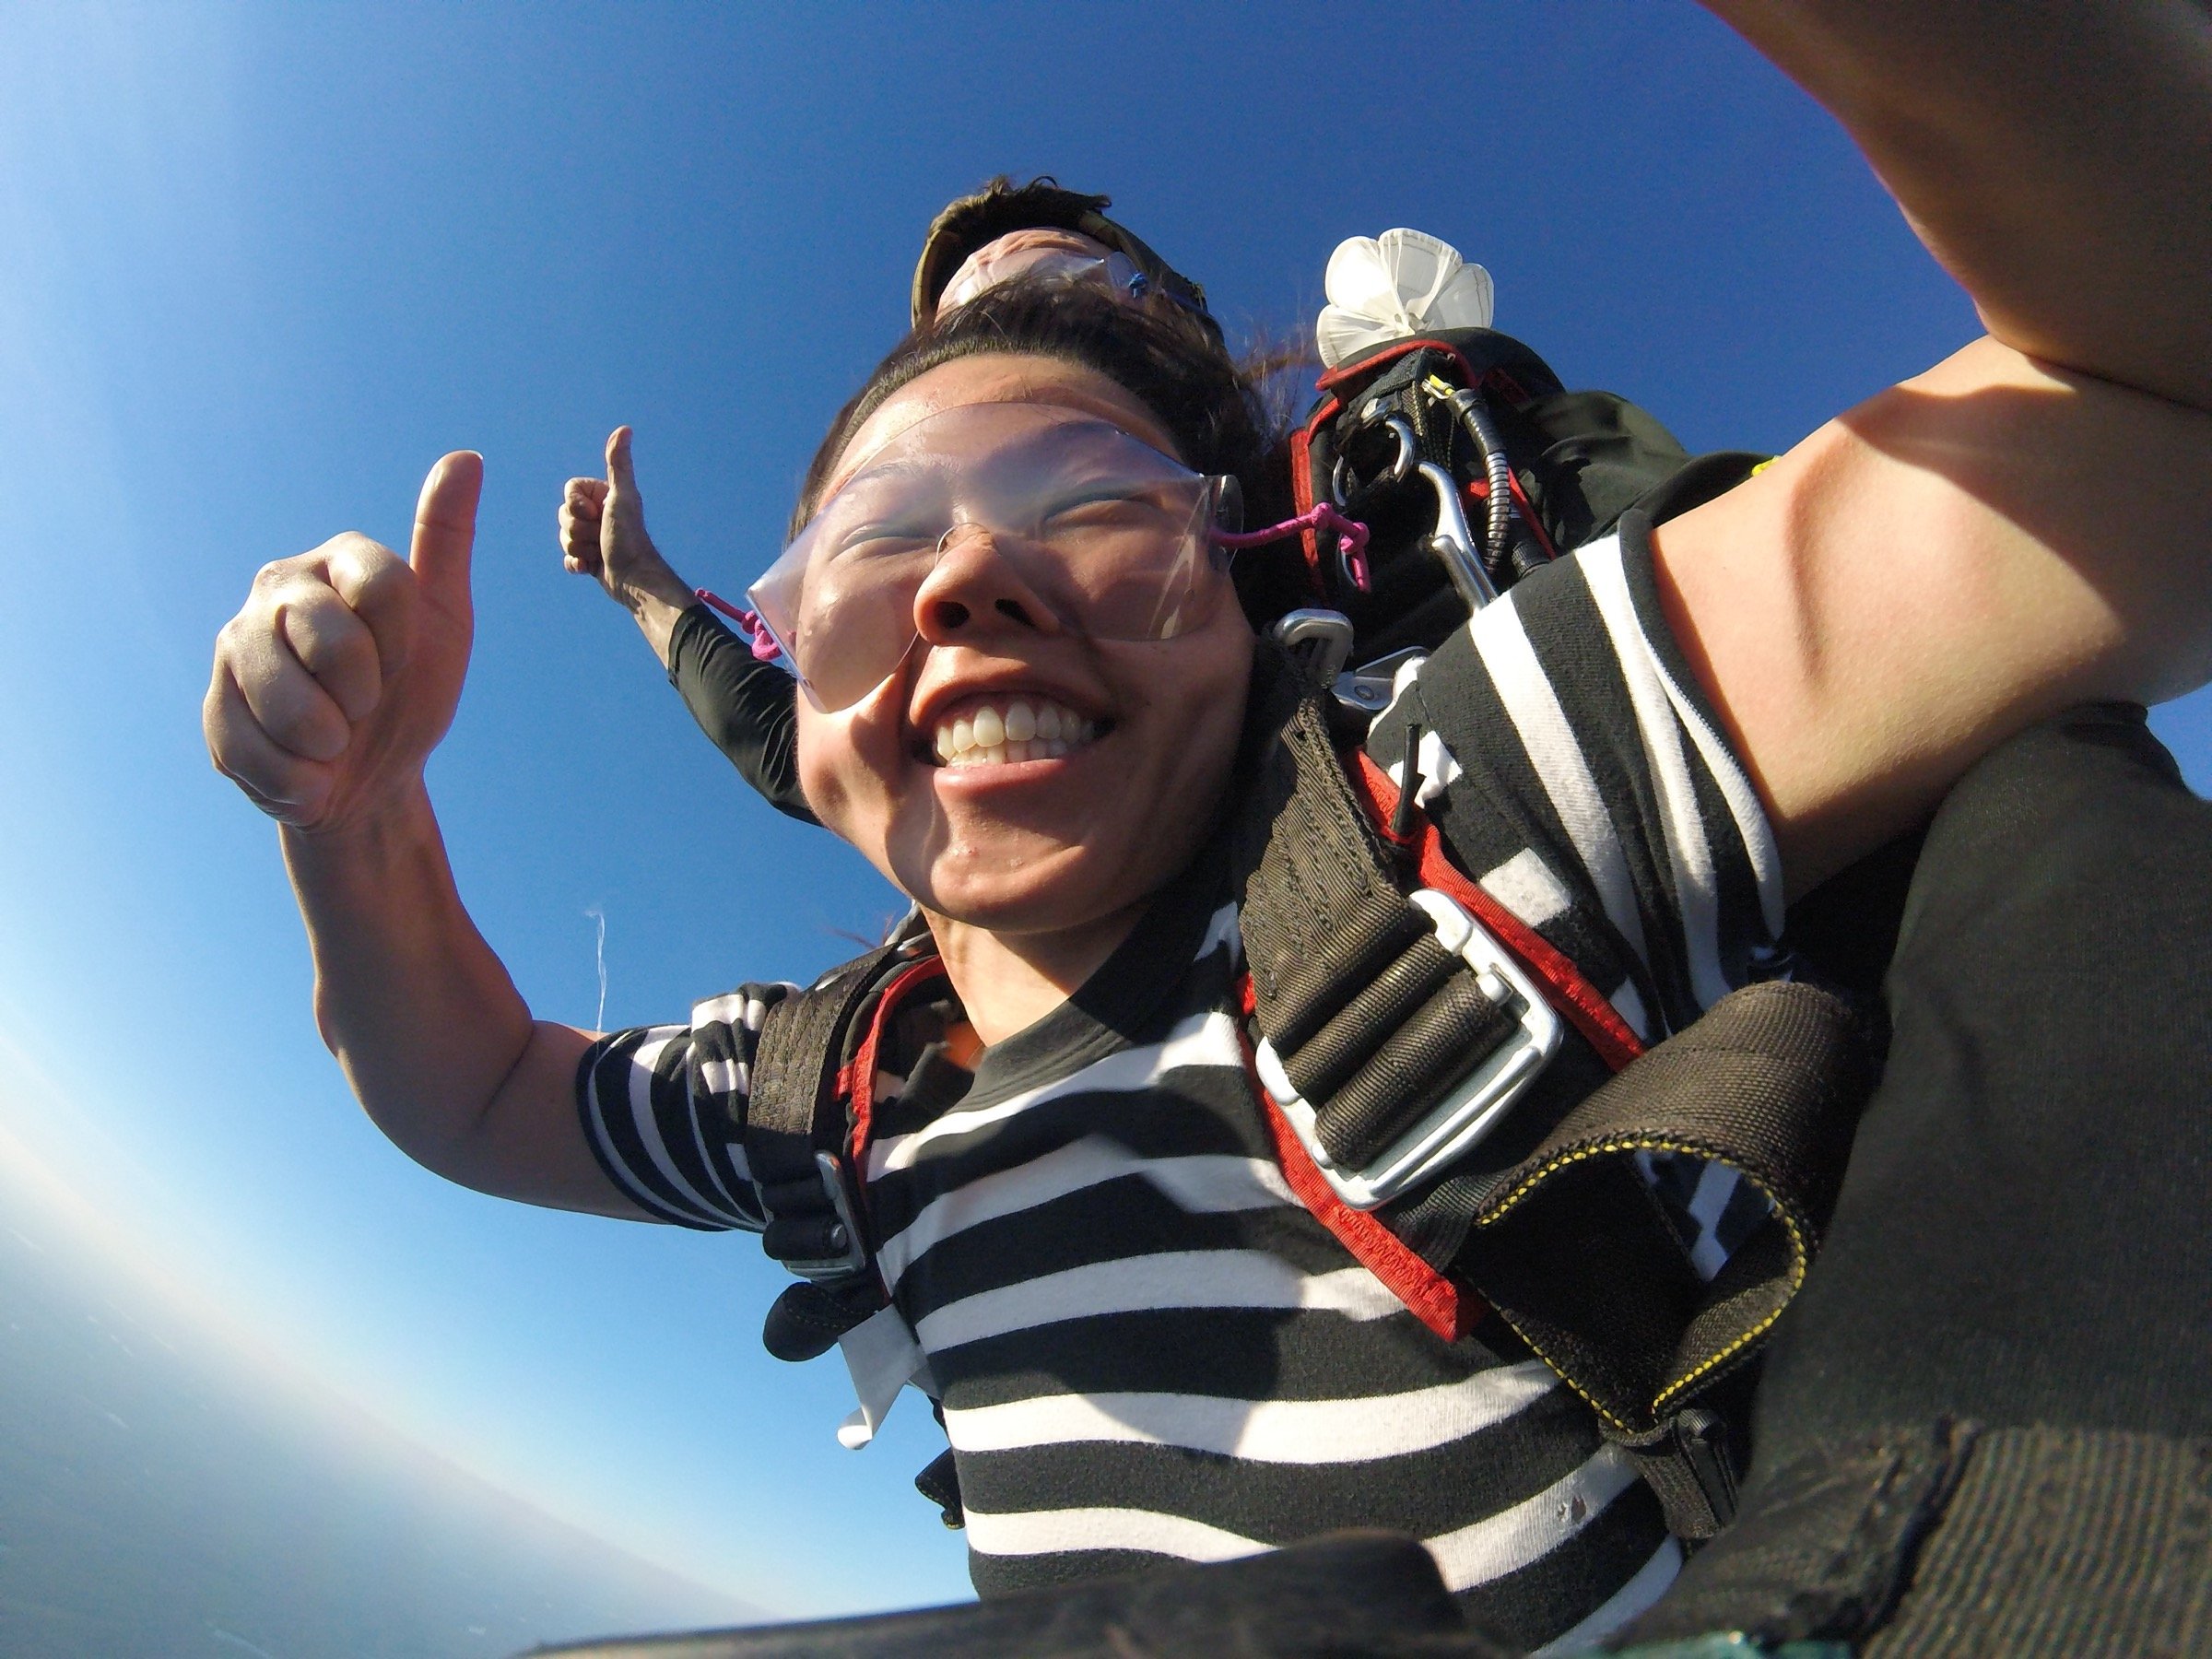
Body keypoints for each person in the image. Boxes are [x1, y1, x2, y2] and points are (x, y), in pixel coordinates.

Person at [201, 2, 2212, 1651]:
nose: (974, 579)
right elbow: (465, 1089)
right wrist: (354, 821)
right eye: (883, 541)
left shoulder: (1458, 810)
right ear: (803, 695)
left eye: (1094, 505)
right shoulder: (830, 1088)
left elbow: (2150, 401)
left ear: (1258, 597)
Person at [557, 178, 1219, 827]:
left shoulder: (1316, 515)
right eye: (968, 321)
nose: (1017, 338)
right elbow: (809, 747)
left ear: (1173, 316)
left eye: (1065, 287)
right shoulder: (908, 716)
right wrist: (641, 581)